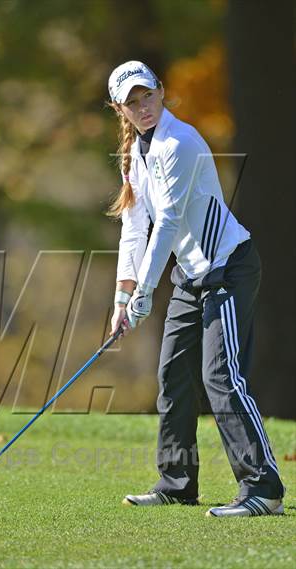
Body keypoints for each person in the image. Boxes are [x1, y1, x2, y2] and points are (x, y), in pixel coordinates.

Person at [107, 61, 285, 517]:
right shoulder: (135, 155)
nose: (143, 106)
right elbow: (134, 227)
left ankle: (263, 488)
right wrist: (123, 298)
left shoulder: (178, 143)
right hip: (190, 275)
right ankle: (177, 482)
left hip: (228, 268)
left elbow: (166, 222)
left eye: (148, 95)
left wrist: (145, 291)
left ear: (162, 92)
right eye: (132, 102)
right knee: (173, 374)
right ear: (119, 109)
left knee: (220, 376)